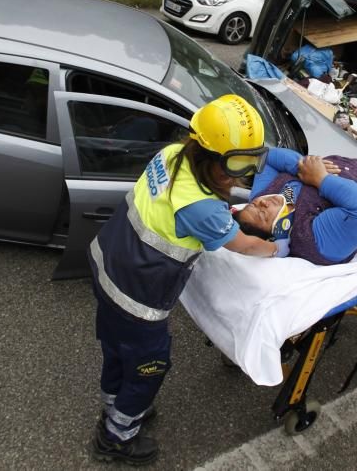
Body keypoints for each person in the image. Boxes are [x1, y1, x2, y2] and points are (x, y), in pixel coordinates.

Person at [88, 94, 280, 465]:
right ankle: (116, 438)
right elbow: (243, 246)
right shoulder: (202, 209)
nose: (241, 174)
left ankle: (115, 407)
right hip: (137, 300)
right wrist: (278, 247)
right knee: (148, 368)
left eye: (250, 161)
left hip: (108, 267)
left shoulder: (173, 155)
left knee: (117, 352)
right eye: (236, 163)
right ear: (207, 156)